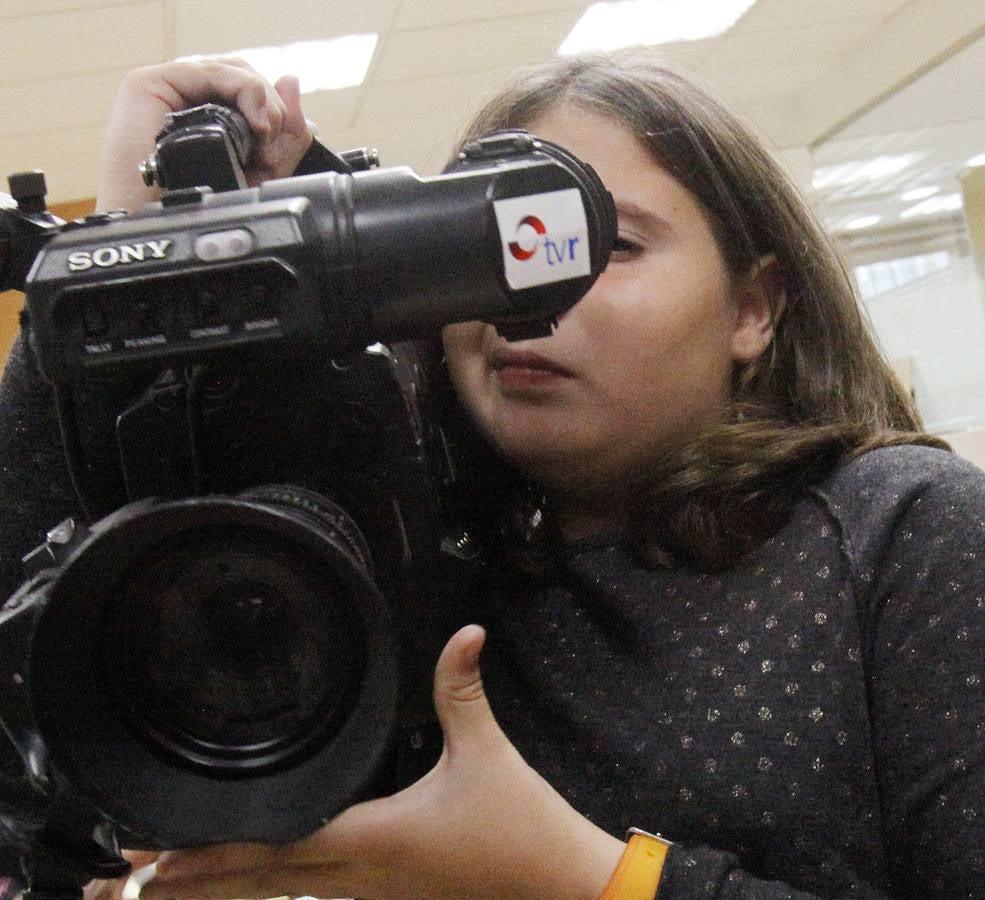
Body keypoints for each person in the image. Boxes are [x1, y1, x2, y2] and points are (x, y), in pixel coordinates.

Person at [2, 50, 984, 899]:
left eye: (608, 243)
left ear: (753, 308)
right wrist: (123, 248)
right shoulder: (382, 546)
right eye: (495, 248)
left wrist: (582, 879)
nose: (537, 298)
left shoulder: (899, 534)